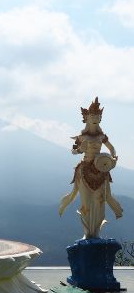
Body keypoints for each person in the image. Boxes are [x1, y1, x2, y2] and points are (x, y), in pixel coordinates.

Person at [59, 97, 122, 238]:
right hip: (84, 170)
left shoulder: (101, 136)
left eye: (98, 116)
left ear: (100, 119)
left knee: (100, 201)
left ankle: (96, 231)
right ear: (86, 118)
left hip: (100, 169)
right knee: (86, 202)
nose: (95, 118)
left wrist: (113, 159)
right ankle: (87, 232)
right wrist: (81, 149)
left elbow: (112, 149)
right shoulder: (83, 136)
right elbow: (73, 151)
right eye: (93, 116)